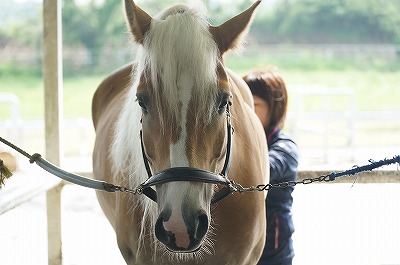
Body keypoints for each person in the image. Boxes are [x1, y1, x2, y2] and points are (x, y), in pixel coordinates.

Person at [243, 70, 299, 265]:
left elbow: (264, 170)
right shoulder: (239, 143)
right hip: (241, 249)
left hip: (272, 251)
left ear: (274, 107)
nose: (246, 111)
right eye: (241, 104)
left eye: (254, 105)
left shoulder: (284, 146)